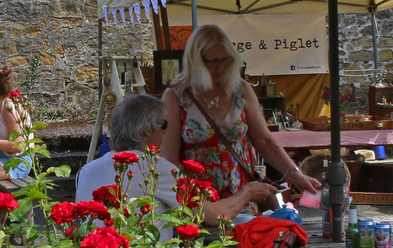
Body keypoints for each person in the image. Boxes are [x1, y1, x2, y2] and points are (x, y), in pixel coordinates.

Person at [160, 24, 319, 203]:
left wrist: (297, 176)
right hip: (199, 201)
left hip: (243, 195)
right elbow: (169, 159)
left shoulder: (241, 89)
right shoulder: (176, 96)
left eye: (225, 60)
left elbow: (265, 141)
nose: (220, 67)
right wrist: (195, 200)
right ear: (195, 61)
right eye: (213, 62)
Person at [77, 93, 276, 229]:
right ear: (148, 130)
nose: (165, 132)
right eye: (164, 125)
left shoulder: (87, 170)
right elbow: (216, 215)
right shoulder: (156, 169)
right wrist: (247, 192)